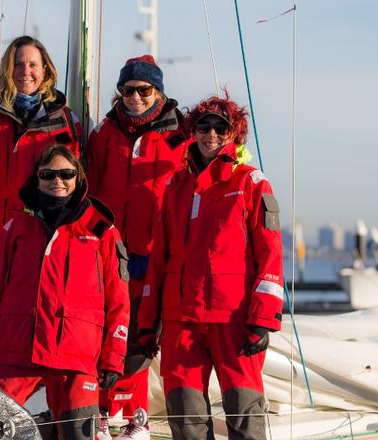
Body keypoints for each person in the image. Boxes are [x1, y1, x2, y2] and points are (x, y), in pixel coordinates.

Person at [137, 92, 284, 440]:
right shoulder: (176, 186)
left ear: (234, 134)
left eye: (221, 128)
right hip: (180, 322)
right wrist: (147, 323)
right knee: (186, 420)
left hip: (233, 320)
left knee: (244, 416)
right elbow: (160, 260)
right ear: (194, 131)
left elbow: (271, 256)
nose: (211, 135)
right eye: (204, 127)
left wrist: (263, 320)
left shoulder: (251, 183)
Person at [0, 145, 130, 440]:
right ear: (37, 179)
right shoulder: (15, 228)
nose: (58, 180)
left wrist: (113, 358)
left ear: (78, 179)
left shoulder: (102, 232)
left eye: (66, 174)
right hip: (15, 351)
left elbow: (118, 301)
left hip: (76, 356)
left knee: (80, 434)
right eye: (48, 174)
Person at [85, 55, 190, 440]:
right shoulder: (104, 134)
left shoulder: (181, 136)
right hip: (110, 249)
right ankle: (100, 410)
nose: (135, 98)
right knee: (103, 329)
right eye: (128, 90)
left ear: (158, 92)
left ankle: (134, 416)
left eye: (144, 91)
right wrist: (98, 236)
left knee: (141, 335)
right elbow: (89, 188)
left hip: (153, 252)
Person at [0, 35, 83, 251]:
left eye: (33, 65)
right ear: (7, 68)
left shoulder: (66, 121)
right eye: (18, 64)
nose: (26, 72)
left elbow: (79, 182)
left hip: (44, 236)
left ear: (45, 69)